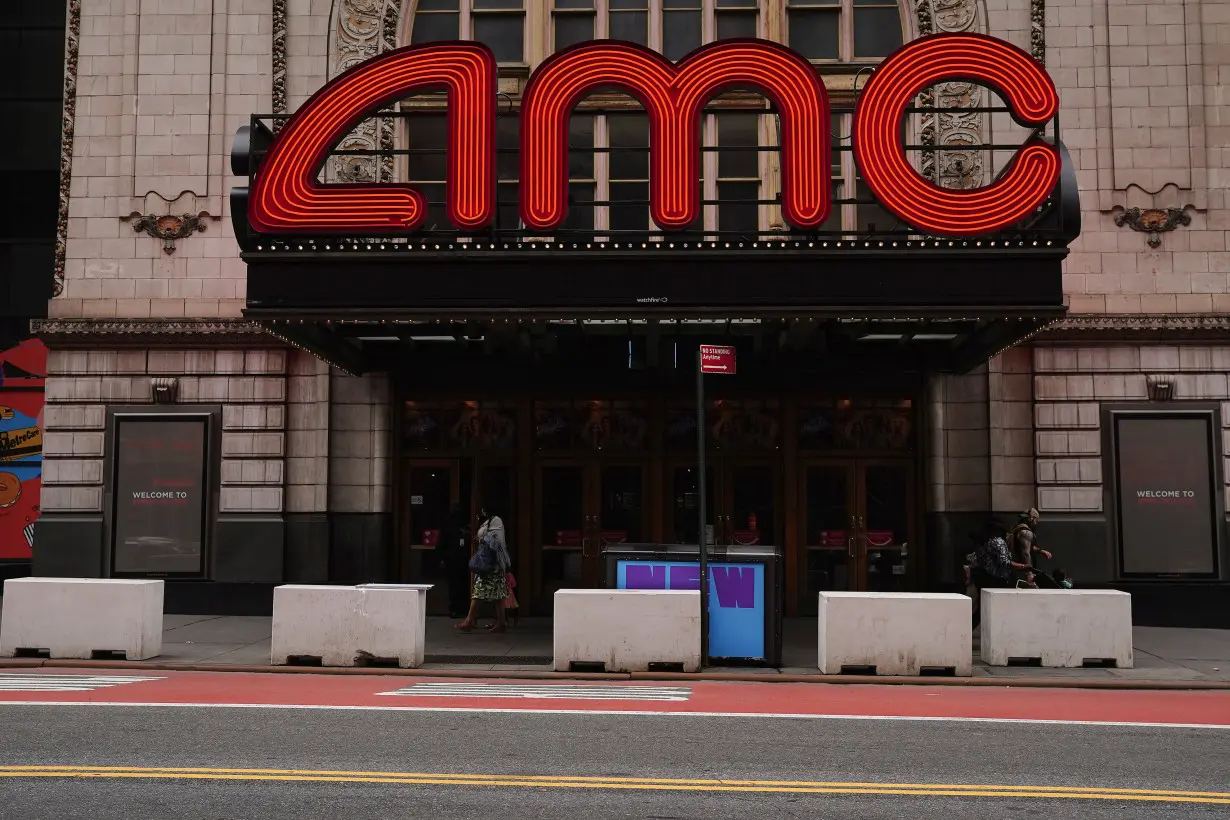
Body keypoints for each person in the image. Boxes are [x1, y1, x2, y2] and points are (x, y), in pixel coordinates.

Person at [966, 517, 1032, 628]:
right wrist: (1023, 566)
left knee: (982, 610)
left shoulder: (988, 541)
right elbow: (1005, 562)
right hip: (998, 581)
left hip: (986, 579)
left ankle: (967, 629)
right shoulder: (999, 542)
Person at [455, 509, 511, 633]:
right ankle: (501, 622)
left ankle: (469, 620)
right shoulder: (487, 522)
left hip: (492, 564)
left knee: (479, 589)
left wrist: (480, 540)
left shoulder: (496, 521)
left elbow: (496, 542)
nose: (481, 512)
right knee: (498, 593)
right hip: (491, 564)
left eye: (483, 510)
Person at [435, 503, 469, 618]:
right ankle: (456, 608)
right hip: (454, 558)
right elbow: (442, 542)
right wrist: (441, 558)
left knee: (460, 584)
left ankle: (461, 608)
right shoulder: (449, 523)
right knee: (456, 584)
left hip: (461, 558)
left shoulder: (462, 523)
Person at [1009, 508, 1052, 587]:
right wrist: (1030, 572)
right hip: (1022, 571)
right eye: (1036, 520)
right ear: (1032, 518)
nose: (1036, 523)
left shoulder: (1018, 529)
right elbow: (1026, 552)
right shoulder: (1026, 532)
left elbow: (1028, 547)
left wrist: (1041, 551)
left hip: (1015, 568)